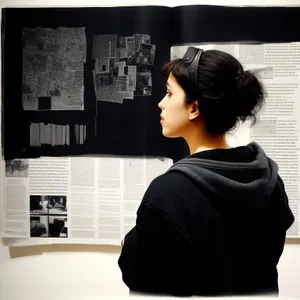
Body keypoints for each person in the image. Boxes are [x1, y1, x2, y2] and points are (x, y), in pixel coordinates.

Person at [118, 47, 294, 297]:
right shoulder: (269, 180)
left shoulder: (168, 193)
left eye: (169, 93)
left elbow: (147, 283)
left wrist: (131, 246)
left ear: (194, 109)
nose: (161, 103)